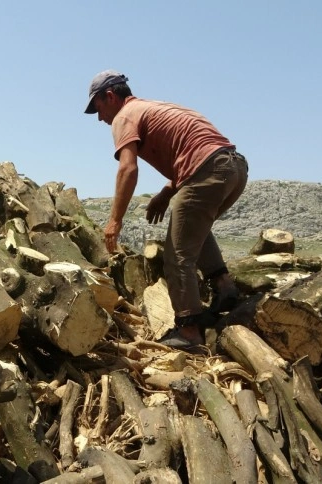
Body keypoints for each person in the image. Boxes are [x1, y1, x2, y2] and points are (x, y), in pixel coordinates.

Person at [84, 69, 248, 348]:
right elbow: (199, 149)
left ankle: (189, 331)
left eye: (98, 108)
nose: (100, 118)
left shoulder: (125, 115)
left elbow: (128, 168)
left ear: (110, 96)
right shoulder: (153, 107)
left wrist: (115, 220)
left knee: (177, 254)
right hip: (234, 168)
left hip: (207, 172)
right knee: (193, 229)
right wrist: (166, 191)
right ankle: (224, 289)